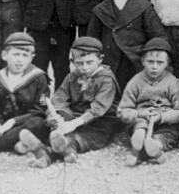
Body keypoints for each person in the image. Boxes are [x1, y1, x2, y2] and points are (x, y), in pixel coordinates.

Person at [86, 0, 166, 91]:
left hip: (135, 63)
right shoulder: (101, 10)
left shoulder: (143, 7)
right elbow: (92, 42)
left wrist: (149, 59)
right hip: (109, 65)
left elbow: (158, 38)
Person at [43, 37, 122, 165]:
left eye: (89, 62)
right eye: (79, 63)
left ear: (100, 59)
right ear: (72, 61)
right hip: (77, 115)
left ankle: (66, 147)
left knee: (93, 134)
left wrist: (74, 123)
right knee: (55, 124)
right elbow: (60, 97)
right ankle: (51, 149)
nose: (84, 67)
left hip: (102, 117)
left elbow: (98, 108)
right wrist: (58, 115)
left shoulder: (106, 79)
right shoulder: (72, 76)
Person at [0, 33, 49, 161]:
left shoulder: (38, 77)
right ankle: (14, 144)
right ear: (5, 55)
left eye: (25, 55)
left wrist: (13, 122)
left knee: (38, 124)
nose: (20, 60)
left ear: (32, 58)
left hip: (23, 123)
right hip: (3, 125)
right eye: (16, 54)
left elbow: (40, 111)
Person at [117, 37, 179, 166]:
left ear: (167, 63)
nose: (154, 66)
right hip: (142, 119)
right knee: (139, 125)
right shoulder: (135, 81)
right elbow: (122, 111)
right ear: (143, 61)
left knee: (170, 134)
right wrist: (140, 114)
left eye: (160, 63)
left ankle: (154, 145)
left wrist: (161, 116)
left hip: (165, 122)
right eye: (150, 62)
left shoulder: (172, 82)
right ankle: (140, 137)